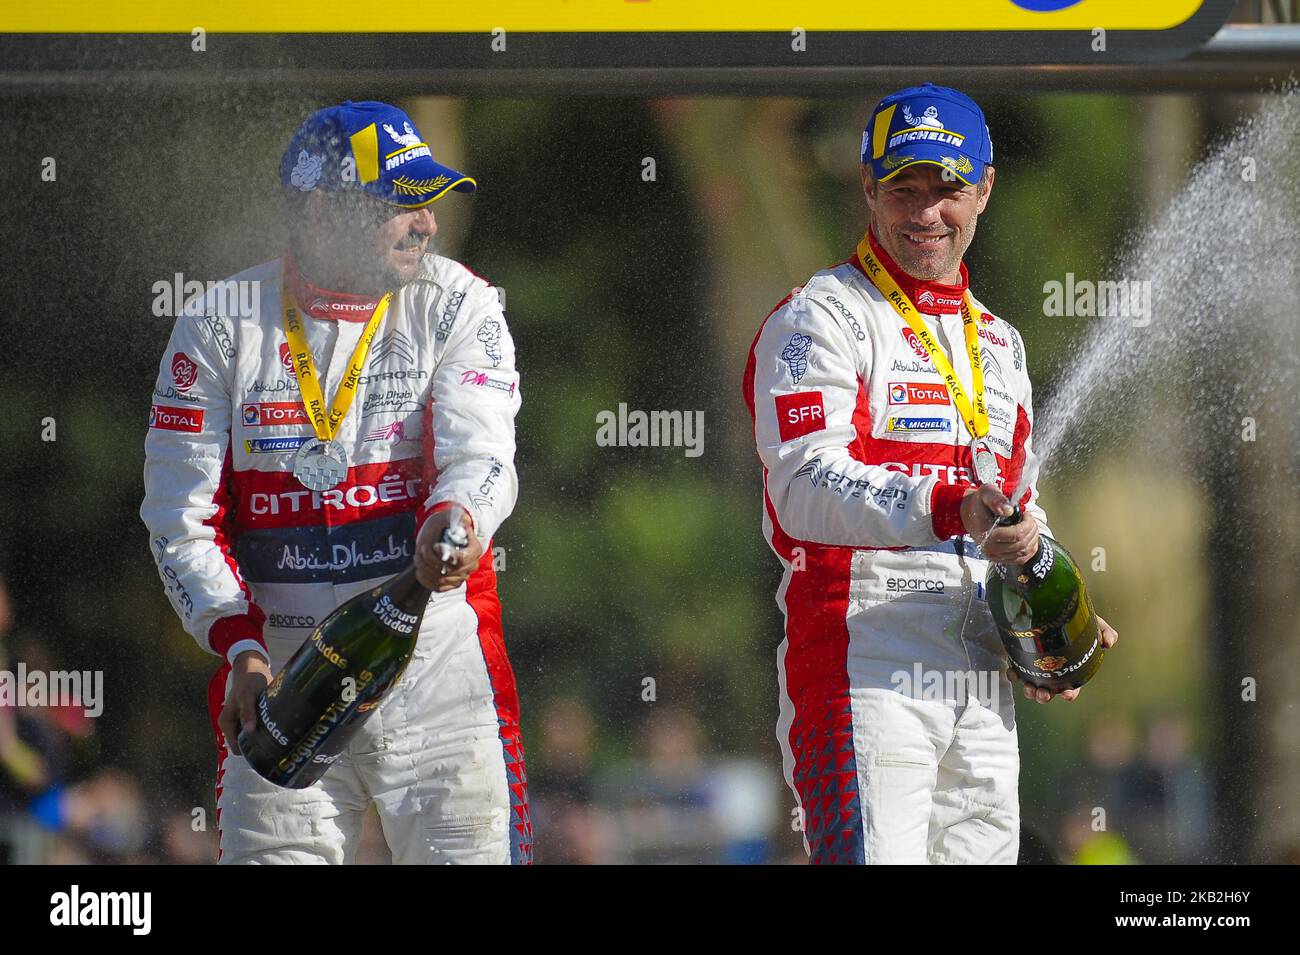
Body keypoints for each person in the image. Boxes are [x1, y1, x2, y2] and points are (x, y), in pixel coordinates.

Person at [141, 100, 531, 864]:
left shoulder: (460, 302)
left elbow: (482, 454)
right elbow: (178, 516)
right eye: (402, 204)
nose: (427, 223)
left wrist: (456, 519)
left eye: (430, 202)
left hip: (440, 673)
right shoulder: (218, 325)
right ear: (324, 210)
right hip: (286, 685)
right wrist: (238, 647)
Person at [742, 83, 1119, 865]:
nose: (924, 213)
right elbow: (803, 486)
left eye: (946, 189)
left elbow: (1016, 508)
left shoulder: (1000, 343)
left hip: (982, 658)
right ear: (868, 189)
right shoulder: (819, 317)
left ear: (983, 188)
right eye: (902, 189)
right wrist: (952, 505)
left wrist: (1054, 611)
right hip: (863, 652)